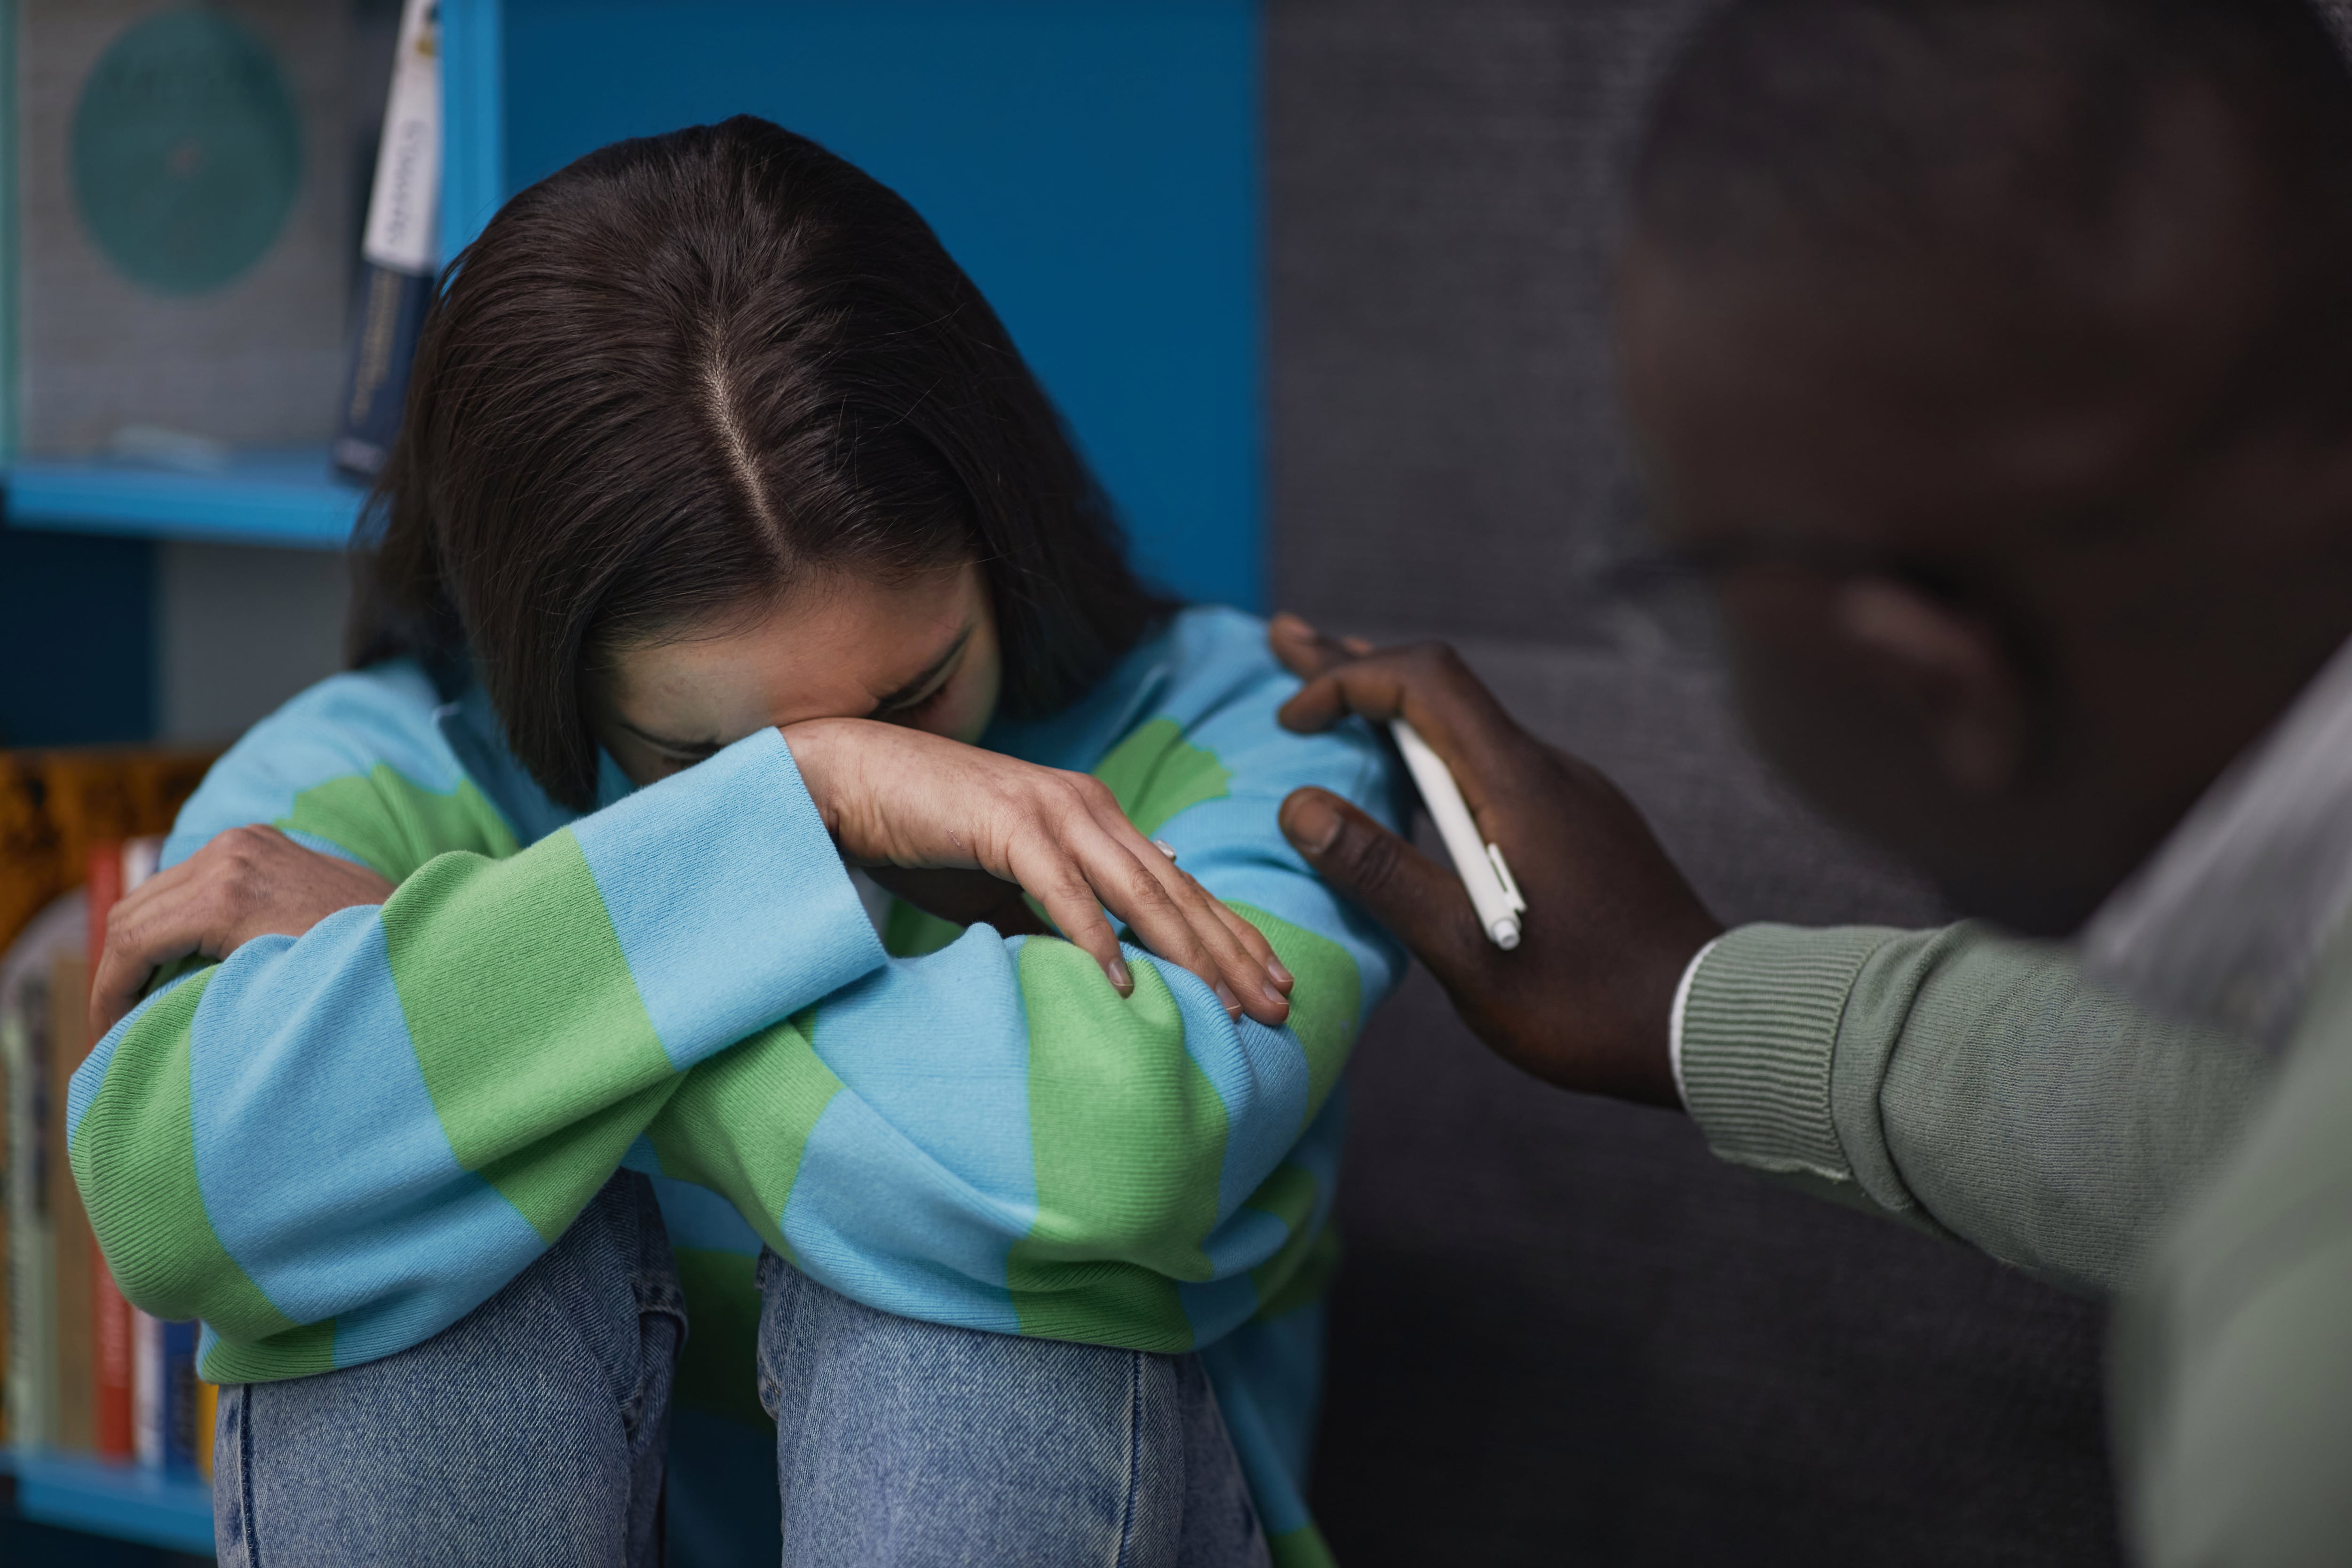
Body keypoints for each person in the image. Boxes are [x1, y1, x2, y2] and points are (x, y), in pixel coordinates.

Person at [69, 118, 1402, 1568]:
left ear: (999, 534)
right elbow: (162, 1189)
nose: (867, 793)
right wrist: (794, 810)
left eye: (910, 699)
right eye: (704, 763)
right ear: (549, 674)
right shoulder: (394, 759)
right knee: (411, 1303)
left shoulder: (1248, 730)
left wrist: (476, 1004)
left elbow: (1126, 1147)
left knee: (976, 1308)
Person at [1267, 0, 2352, 1563]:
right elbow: (2214, 1112)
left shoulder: (2299, 1383)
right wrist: (1694, 1006)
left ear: (1935, 682)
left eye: (1685, 583)